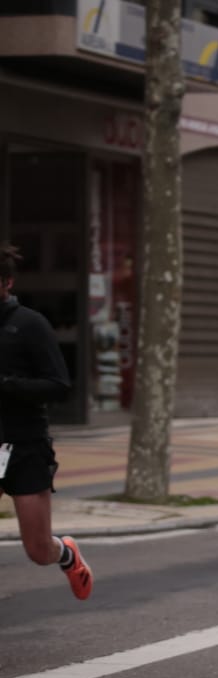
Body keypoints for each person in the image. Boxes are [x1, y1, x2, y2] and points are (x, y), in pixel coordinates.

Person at [0, 241, 93, 601]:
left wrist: (7, 385)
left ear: (7, 283)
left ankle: (66, 553)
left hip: (25, 445)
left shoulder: (29, 324)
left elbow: (59, 386)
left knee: (38, 550)